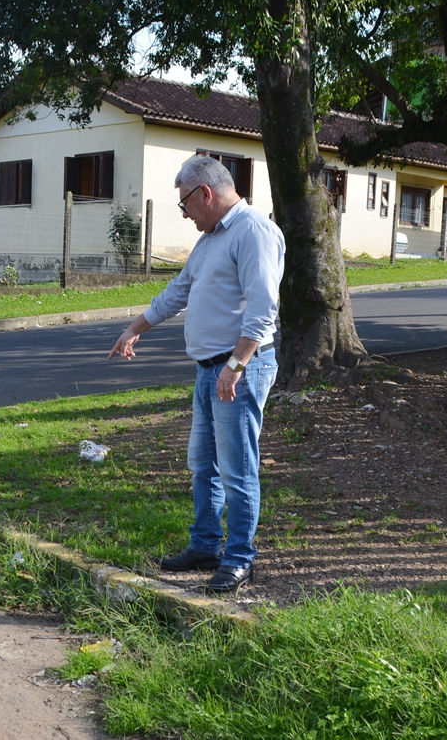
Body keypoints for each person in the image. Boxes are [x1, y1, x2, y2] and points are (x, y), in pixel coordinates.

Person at [108, 154, 284, 592]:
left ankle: (239, 558)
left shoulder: (254, 232)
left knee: (237, 469)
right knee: (203, 466)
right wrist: (135, 328)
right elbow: (178, 291)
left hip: (238, 369)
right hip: (210, 371)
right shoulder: (210, 240)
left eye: (185, 204)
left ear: (205, 193)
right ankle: (206, 544)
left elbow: (263, 313)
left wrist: (236, 365)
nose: (184, 214)